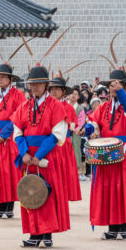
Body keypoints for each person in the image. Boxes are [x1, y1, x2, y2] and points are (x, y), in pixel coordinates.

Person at [11, 65, 70, 248]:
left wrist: (39, 155)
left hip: (46, 157)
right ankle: (34, 233)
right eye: (32, 84)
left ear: (46, 85)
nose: (34, 87)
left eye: (38, 84)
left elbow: (57, 134)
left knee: (46, 194)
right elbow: (18, 132)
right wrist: (25, 154)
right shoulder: (24, 107)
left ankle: (47, 233)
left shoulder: (55, 106)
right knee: (30, 193)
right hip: (29, 158)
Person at [86, 68, 126, 240]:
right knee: (109, 188)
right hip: (106, 151)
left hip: (125, 151)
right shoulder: (104, 107)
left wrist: (120, 92)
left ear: (124, 86)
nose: (112, 88)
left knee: (123, 187)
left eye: (117, 85)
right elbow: (93, 123)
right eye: (111, 85)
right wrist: (90, 130)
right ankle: (112, 227)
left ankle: (123, 226)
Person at [0, 63, 24, 219]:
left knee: (9, 173)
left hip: (9, 140)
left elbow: (18, 115)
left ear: (10, 79)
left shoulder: (18, 95)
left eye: (3, 77)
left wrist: (4, 134)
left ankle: (9, 207)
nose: (0, 79)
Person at [48, 74, 82, 203]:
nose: (53, 91)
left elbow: (71, 126)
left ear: (63, 92)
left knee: (63, 171)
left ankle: (61, 195)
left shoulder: (68, 108)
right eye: (52, 88)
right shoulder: (46, 105)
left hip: (63, 144)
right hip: (48, 142)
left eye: (57, 88)